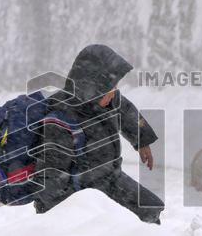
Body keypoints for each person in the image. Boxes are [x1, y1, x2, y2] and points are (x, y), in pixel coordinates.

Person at [34, 44, 164, 223]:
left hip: (111, 179)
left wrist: (142, 140)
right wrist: (56, 220)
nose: (114, 94)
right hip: (83, 194)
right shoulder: (60, 119)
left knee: (152, 210)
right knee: (123, 227)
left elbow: (126, 111)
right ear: (92, 87)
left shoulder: (102, 100)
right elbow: (52, 176)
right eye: (109, 89)